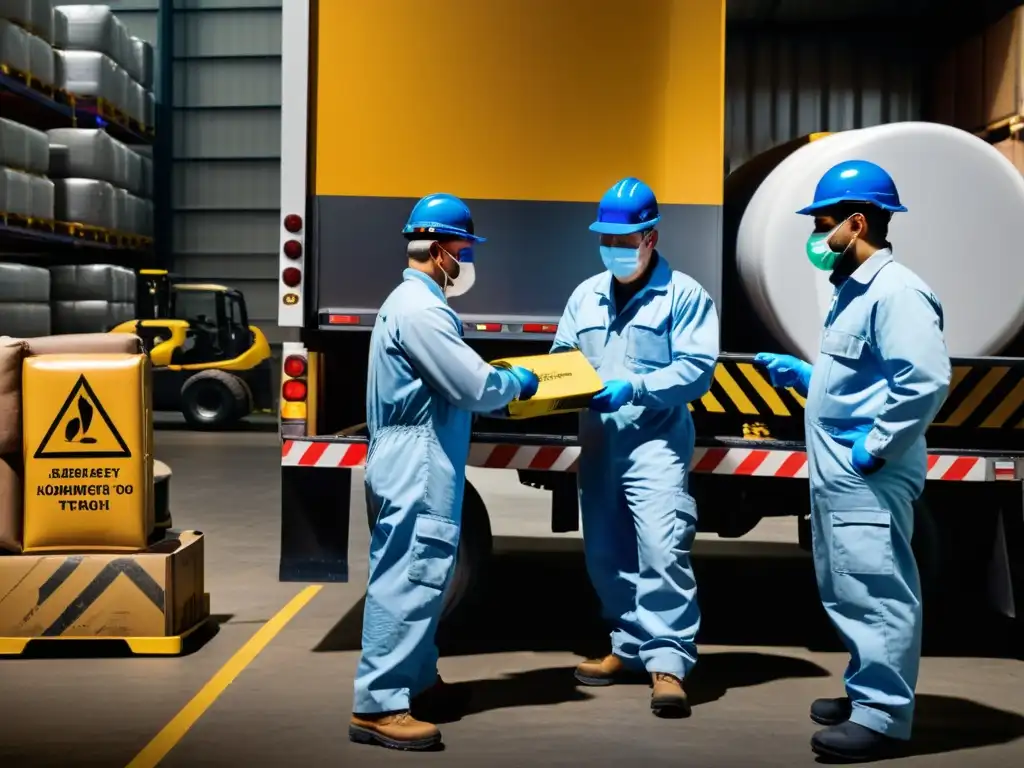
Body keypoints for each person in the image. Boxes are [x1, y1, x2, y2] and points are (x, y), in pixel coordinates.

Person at [755, 160, 951, 762]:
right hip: (844, 472)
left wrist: (878, 443)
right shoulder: (856, 288)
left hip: (866, 470)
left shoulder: (895, 292)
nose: (816, 235)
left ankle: (884, 718)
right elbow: (869, 376)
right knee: (848, 587)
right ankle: (867, 691)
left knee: (875, 588)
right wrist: (812, 381)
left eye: (822, 223)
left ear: (856, 222)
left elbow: (924, 380)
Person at [349, 193, 539, 751]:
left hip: (413, 455)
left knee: (426, 578)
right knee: (409, 578)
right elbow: (474, 386)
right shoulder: (422, 311)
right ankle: (378, 705)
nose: (467, 260)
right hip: (417, 460)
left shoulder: (410, 303)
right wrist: (522, 382)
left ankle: (418, 682)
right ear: (439, 251)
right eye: (463, 249)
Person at [551, 177, 720, 717]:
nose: (616, 250)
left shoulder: (685, 295)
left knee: (661, 549)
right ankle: (627, 647)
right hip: (600, 441)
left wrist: (637, 387)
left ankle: (668, 662)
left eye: (626, 241)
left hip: (655, 445)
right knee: (606, 550)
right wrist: (556, 382)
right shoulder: (586, 294)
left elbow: (696, 371)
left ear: (651, 237)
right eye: (608, 240)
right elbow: (562, 351)